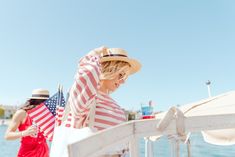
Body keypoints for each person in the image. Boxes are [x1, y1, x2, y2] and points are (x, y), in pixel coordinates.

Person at [64, 46, 141, 156]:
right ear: (108, 69)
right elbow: (86, 74)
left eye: (125, 77)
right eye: (120, 75)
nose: (123, 81)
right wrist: (94, 54)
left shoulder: (115, 105)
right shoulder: (88, 96)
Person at [5, 89, 50, 157]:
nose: (47, 104)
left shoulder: (47, 113)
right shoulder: (21, 113)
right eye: (45, 102)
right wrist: (25, 133)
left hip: (44, 152)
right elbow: (7, 136)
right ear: (36, 101)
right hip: (27, 153)